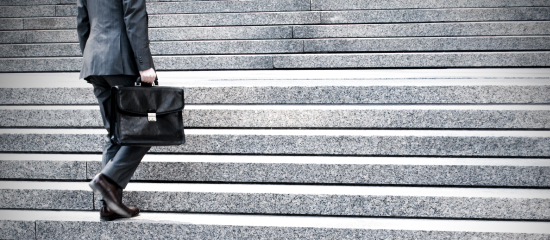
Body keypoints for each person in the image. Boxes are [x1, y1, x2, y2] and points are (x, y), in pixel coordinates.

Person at [77, 0, 156, 221]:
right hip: (121, 61)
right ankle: (108, 180)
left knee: (115, 134)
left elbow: (82, 22)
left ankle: (110, 205)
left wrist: (92, 58)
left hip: (95, 61)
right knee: (145, 130)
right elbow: (134, 16)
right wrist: (144, 64)